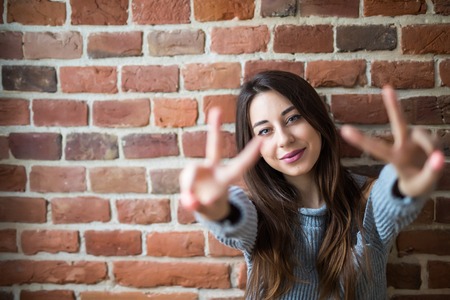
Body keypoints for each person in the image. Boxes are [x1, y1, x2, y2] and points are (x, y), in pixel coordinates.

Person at [179, 71, 444, 300]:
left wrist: (406, 181)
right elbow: (234, 217)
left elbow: (391, 198)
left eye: (293, 118)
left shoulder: (366, 201)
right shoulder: (258, 214)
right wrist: (216, 206)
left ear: (316, 119)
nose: (284, 139)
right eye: (265, 131)